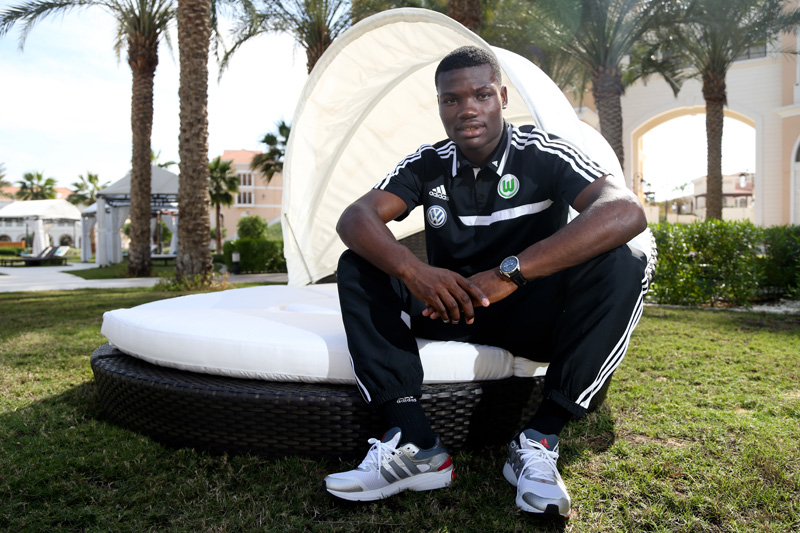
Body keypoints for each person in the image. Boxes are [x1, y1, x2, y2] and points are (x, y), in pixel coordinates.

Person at [324, 45, 649, 518]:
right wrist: (414, 270)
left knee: (626, 260)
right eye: (451, 100)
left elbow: (625, 211)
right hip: (450, 308)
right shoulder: (428, 163)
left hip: (529, 313)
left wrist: (508, 274)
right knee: (359, 262)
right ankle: (414, 441)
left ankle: (539, 438)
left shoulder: (541, 152)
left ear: (501, 97)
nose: (467, 109)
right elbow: (357, 216)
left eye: (480, 95)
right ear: (440, 107)